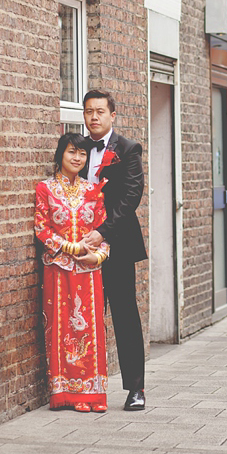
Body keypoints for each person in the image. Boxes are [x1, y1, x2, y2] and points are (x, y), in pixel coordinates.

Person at [80, 89, 147, 411]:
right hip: (80, 246)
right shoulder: (76, 149)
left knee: (124, 314)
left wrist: (102, 233)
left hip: (117, 244)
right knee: (84, 315)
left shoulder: (128, 149)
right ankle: (84, 386)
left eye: (100, 112)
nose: (94, 117)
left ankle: (136, 389)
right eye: (89, 111)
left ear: (112, 116)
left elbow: (131, 197)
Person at [34, 132, 110, 412]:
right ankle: (66, 392)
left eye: (82, 154)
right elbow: (42, 228)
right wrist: (71, 248)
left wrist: (98, 255)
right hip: (58, 269)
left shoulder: (94, 190)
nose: (77, 158)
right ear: (60, 155)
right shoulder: (45, 189)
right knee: (61, 327)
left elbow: (104, 231)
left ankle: (92, 393)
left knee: (91, 327)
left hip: (90, 270)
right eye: (71, 152)